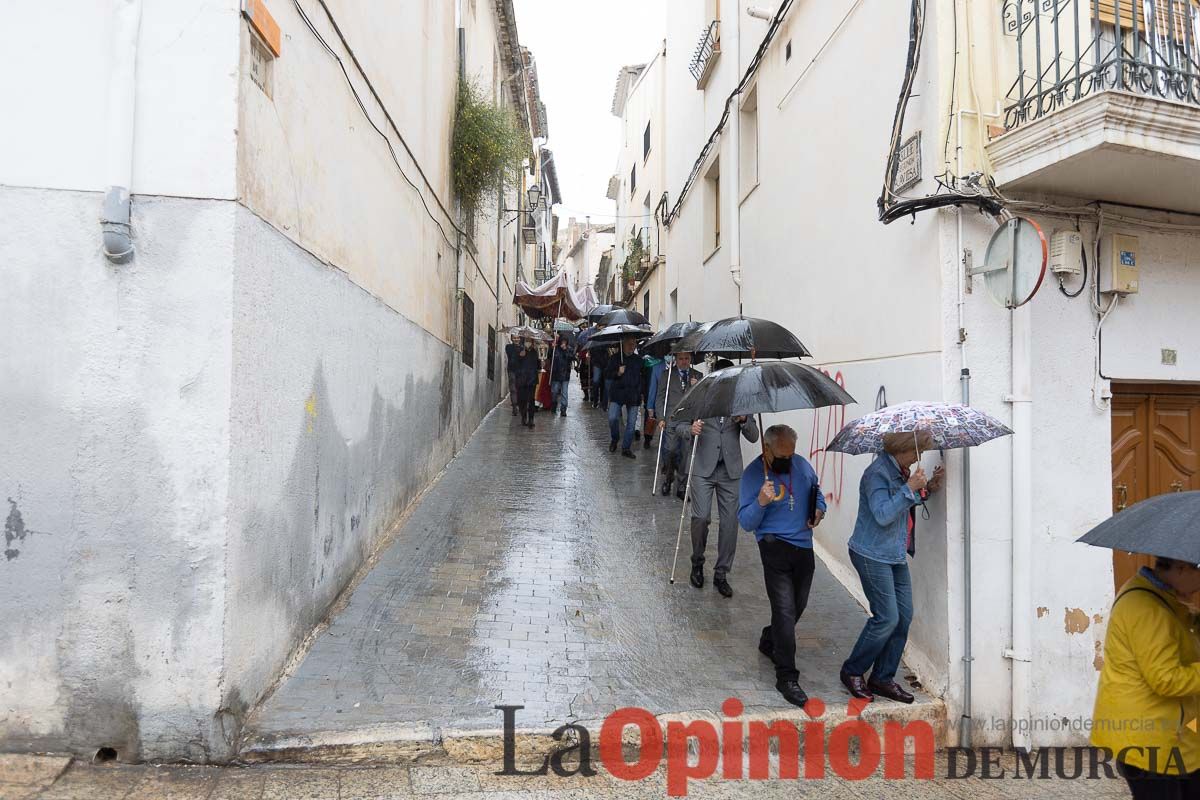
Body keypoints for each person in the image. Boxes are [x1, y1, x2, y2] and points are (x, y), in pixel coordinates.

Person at [839, 431, 943, 704]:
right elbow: (884, 514)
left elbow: (903, 503)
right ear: (903, 450)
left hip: (894, 553)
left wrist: (927, 488)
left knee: (903, 616)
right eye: (916, 452)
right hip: (871, 553)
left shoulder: (900, 470)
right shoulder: (877, 474)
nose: (919, 457)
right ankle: (852, 671)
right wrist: (910, 487)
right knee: (886, 618)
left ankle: (883, 677)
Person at [1092, 555, 1200, 798]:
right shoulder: (1147, 608)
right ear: (1182, 568)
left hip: (1173, 732)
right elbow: (1167, 678)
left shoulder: (1164, 597)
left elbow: (1178, 638)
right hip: (1147, 738)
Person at [737, 424, 825, 707]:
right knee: (785, 610)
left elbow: (817, 494)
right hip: (773, 546)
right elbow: (746, 523)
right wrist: (761, 501)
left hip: (803, 546)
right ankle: (786, 676)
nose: (788, 461)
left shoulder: (802, 466)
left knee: (798, 605)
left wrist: (819, 510)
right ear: (767, 449)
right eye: (782, 456)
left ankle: (769, 637)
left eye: (791, 454)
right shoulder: (753, 475)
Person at [677, 360, 759, 597]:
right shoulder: (699, 396)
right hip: (703, 468)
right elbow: (677, 425)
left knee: (730, 523)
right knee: (701, 518)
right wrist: (690, 429)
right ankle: (697, 561)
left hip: (730, 471)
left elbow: (753, 436)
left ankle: (722, 572)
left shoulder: (741, 401)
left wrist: (744, 421)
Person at [654, 352, 702, 498]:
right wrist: (661, 417)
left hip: (688, 421)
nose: (683, 361)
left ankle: (681, 485)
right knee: (670, 450)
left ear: (690, 359)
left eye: (686, 358)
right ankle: (668, 478)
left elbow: (702, 400)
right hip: (671, 419)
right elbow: (660, 397)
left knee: (685, 454)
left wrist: (696, 387)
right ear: (675, 359)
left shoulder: (697, 375)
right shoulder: (666, 375)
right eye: (680, 359)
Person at [605, 336, 644, 458]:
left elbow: (642, 378)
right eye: (629, 344)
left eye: (633, 344)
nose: (632, 346)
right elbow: (607, 374)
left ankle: (626, 447)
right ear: (623, 344)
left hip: (633, 395)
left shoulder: (639, 360)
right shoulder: (615, 359)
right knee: (612, 418)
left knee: (631, 424)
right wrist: (618, 372)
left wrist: (641, 392)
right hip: (618, 394)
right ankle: (615, 438)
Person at [511, 338, 542, 429]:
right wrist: (520, 357)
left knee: (531, 400)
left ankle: (531, 419)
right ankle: (524, 417)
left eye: (530, 341)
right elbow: (513, 364)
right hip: (521, 380)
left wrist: (541, 363)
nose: (528, 343)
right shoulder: (518, 351)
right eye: (526, 341)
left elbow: (538, 366)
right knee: (522, 400)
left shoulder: (535, 352)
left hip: (531, 380)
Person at [549, 335, 575, 417]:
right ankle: (554, 404)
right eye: (562, 341)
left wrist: (565, 351)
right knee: (554, 391)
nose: (563, 343)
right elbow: (549, 356)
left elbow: (572, 358)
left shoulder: (569, 349)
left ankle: (563, 409)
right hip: (556, 374)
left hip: (565, 374)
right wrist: (551, 349)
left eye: (565, 342)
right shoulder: (555, 349)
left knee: (564, 393)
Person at [504, 334, 521, 416]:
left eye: (517, 338)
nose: (516, 339)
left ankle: (519, 404)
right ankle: (514, 405)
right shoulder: (509, 347)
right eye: (514, 338)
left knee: (519, 388)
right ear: (511, 339)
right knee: (513, 388)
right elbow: (510, 355)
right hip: (512, 370)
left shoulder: (522, 348)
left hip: (521, 371)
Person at [591, 341, 610, 409]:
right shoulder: (596, 339)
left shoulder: (608, 339)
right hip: (597, 363)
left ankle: (603, 402)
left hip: (607, 363)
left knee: (605, 383)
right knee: (595, 381)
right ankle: (595, 400)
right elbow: (592, 350)